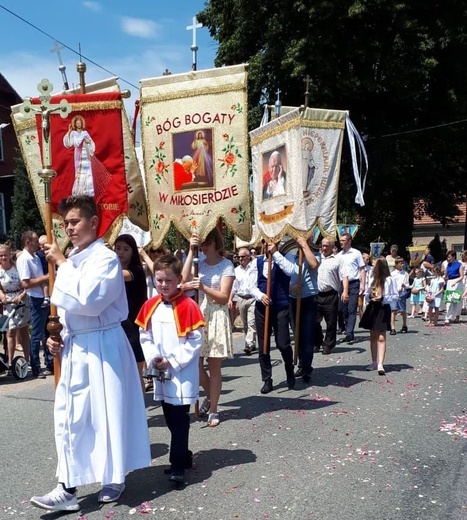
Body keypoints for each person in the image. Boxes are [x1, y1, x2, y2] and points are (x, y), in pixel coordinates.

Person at [30, 195, 151, 512]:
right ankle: (66, 487)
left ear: (93, 222)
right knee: (70, 416)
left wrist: (62, 263)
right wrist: (57, 337)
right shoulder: (73, 257)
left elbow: (91, 300)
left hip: (103, 345)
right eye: (65, 223)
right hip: (77, 346)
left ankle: (113, 476)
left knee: (105, 412)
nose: (68, 228)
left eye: (74, 221)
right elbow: (68, 309)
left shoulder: (105, 259)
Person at [136, 254, 205, 484]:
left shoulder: (189, 305)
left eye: (168, 280)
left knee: (180, 417)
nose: (163, 285)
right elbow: (145, 335)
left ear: (179, 280)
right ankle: (184, 456)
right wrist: (154, 357)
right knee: (168, 415)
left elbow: (195, 341)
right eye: (159, 280)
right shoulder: (151, 305)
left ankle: (177, 464)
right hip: (161, 371)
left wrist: (173, 361)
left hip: (181, 372)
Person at [181, 228, 235, 427]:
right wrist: (190, 249)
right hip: (199, 314)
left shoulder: (226, 265)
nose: (203, 247)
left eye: (206, 243)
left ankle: (213, 409)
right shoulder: (198, 263)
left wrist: (202, 287)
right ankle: (211, 396)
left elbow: (223, 296)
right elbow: (184, 279)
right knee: (196, 364)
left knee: (214, 366)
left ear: (215, 243)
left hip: (217, 314)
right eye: (201, 243)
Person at [250, 241, 296, 394]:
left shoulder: (286, 257)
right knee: (263, 346)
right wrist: (260, 295)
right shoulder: (257, 261)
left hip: (280, 307)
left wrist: (275, 253)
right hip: (262, 308)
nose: (267, 245)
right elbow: (250, 286)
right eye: (265, 242)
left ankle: (290, 371)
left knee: (283, 344)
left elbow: (290, 271)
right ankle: (267, 379)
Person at [16, 230, 53, 378]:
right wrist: (46, 277)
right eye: (35, 241)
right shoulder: (24, 259)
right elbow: (25, 283)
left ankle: (49, 362)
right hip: (35, 298)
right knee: (36, 334)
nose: (38, 244)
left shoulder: (36, 257)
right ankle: (36, 366)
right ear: (27, 243)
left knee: (46, 332)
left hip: (43, 296)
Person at [114, 234, 148, 391]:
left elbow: (118, 277)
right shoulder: (114, 269)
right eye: (118, 248)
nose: (121, 252)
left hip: (134, 325)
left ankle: (139, 410)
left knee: (135, 372)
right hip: (118, 325)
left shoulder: (136, 270)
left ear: (133, 252)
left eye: (126, 249)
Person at [359, 257, 399, 375]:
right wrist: (369, 296)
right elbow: (367, 293)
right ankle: (374, 361)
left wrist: (383, 298)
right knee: (373, 336)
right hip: (373, 308)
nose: (372, 267)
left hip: (382, 307)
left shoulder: (389, 280)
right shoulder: (372, 278)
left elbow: (395, 296)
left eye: (374, 265)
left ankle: (381, 364)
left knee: (381, 336)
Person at [289, 236, 319, 383]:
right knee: (297, 334)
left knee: (307, 335)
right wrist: (290, 287)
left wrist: (304, 245)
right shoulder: (291, 256)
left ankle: (307, 368)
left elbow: (313, 264)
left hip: (308, 298)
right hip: (293, 298)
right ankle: (301, 363)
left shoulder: (314, 253)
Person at [0, 244, 31, 368]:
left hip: (21, 302)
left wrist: (21, 296)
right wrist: (1, 295)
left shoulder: (17, 268)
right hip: (7, 303)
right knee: (10, 332)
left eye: (5, 255)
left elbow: (27, 286)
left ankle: (27, 360)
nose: (3, 258)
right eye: (1, 256)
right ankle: (10, 363)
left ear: (9, 255)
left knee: (24, 332)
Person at [315, 238, 346, 355]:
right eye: (323, 246)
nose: (324, 248)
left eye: (327, 246)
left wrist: (345, 291)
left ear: (332, 247)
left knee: (331, 322)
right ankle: (317, 341)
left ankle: (328, 345)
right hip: (317, 294)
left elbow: (344, 276)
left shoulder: (338, 259)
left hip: (330, 294)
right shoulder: (317, 258)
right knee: (314, 321)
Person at [337, 233, 366, 343]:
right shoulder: (339, 255)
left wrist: (363, 284)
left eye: (343, 240)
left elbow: (362, 269)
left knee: (351, 309)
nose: (341, 242)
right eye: (340, 240)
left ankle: (349, 333)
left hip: (353, 283)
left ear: (349, 241)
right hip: (342, 284)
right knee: (342, 309)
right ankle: (346, 327)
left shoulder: (356, 253)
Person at [228, 247, 258, 355]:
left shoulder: (255, 267)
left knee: (251, 322)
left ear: (249, 256)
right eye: (239, 257)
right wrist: (230, 299)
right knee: (245, 324)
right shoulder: (236, 271)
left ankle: (249, 344)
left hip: (252, 298)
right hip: (241, 298)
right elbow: (234, 287)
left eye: (243, 256)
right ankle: (251, 342)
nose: (240, 259)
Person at [63, 114, 96, 197]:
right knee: (79, 173)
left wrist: (88, 142)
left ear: (82, 124)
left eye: (80, 123)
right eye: (77, 123)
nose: (78, 124)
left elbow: (91, 142)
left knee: (87, 172)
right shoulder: (73, 133)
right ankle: (79, 191)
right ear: (75, 124)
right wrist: (69, 131)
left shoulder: (85, 133)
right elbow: (70, 143)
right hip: (78, 155)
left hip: (86, 155)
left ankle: (88, 191)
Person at [389, 257, 410, 335]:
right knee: (393, 311)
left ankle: (404, 325)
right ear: (396, 264)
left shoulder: (405, 273)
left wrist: (405, 286)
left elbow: (407, 284)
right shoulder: (392, 274)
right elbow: (390, 284)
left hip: (402, 293)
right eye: (401, 263)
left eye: (403, 263)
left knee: (403, 310)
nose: (402, 265)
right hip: (394, 294)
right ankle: (392, 328)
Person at [443, 250, 464, 324]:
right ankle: (447, 317)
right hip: (450, 282)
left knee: (457, 301)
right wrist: (445, 278)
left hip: (457, 282)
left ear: (453, 256)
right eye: (447, 257)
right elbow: (446, 275)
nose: (448, 259)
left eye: (449, 257)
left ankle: (457, 316)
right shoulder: (448, 265)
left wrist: (455, 282)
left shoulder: (459, 264)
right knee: (449, 301)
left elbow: (462, 276)